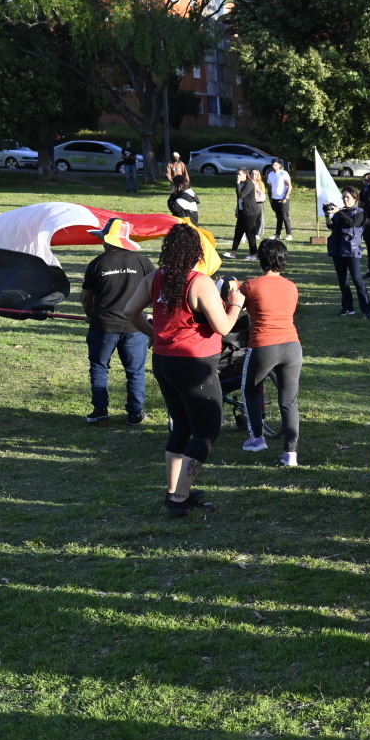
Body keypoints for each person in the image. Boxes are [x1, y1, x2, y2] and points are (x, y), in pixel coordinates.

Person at [123, 222, 244, 516]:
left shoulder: (155, 277)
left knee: (182, 426)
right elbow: (224, 326)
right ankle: (180, 499)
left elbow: (130, 312)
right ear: (196, 252)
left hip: (165, 361)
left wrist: (152, 334)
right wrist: (236, 304)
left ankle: (175, 491)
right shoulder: (199, 282)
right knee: (206, 431)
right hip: (195, 364)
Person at [81, 218, 153, 425]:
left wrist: (90, 314)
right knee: (135, 371)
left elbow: (86, 298)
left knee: (99, 367)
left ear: (108, 240)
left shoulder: (97, 263)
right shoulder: (143, 262)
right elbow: (155, 290)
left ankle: (100, 410)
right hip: (136, 325)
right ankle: (135, 413)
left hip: (103, 325)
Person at [239, 238, 303, 466]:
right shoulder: (292, 286)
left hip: (264, 345)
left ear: (261, 259)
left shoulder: (250, 285)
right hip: (292, 346)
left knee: (250, 389)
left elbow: (235, 310)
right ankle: (291, 453)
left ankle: (257, 438)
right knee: (289, 401)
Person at [324, 188, 370, 319]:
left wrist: (339, 211)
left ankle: (366, 309)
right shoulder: (341, 212)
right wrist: (327, 215)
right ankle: (347, 307)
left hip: (351, 249)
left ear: (355, 199)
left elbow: (352, 223)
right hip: (338, 249)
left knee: (357, 280)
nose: (345, 200)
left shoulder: (360, 213)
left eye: (348, 197)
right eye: (343, 197)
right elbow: (331, 226)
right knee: (342, 280)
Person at [225, 167, 262, 260]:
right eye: (237, 174)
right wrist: (238, 210)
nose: (237, 176)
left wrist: (237, 183)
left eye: (239, 174)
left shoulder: (249, 184)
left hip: (251, 212)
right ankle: (233, 252)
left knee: (250, 233)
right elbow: (239, 199)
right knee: (238, 232)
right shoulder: (241, 183)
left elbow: (241, 195)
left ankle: (254, 254)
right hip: (243, 212)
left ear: (245, 174)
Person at [265, 158, 293, 240]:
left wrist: (286, 197)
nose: (273, 166)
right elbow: (269, 187)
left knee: (285, 216)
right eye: (272, 164)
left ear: (279, 165)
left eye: (275, 165)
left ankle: (289, 234)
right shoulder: (270, 174)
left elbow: (290, 186)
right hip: (274, 199)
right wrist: (270, 198)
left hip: (283, 198)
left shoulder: (283, 173)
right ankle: (278, 234)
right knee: (278, 216)